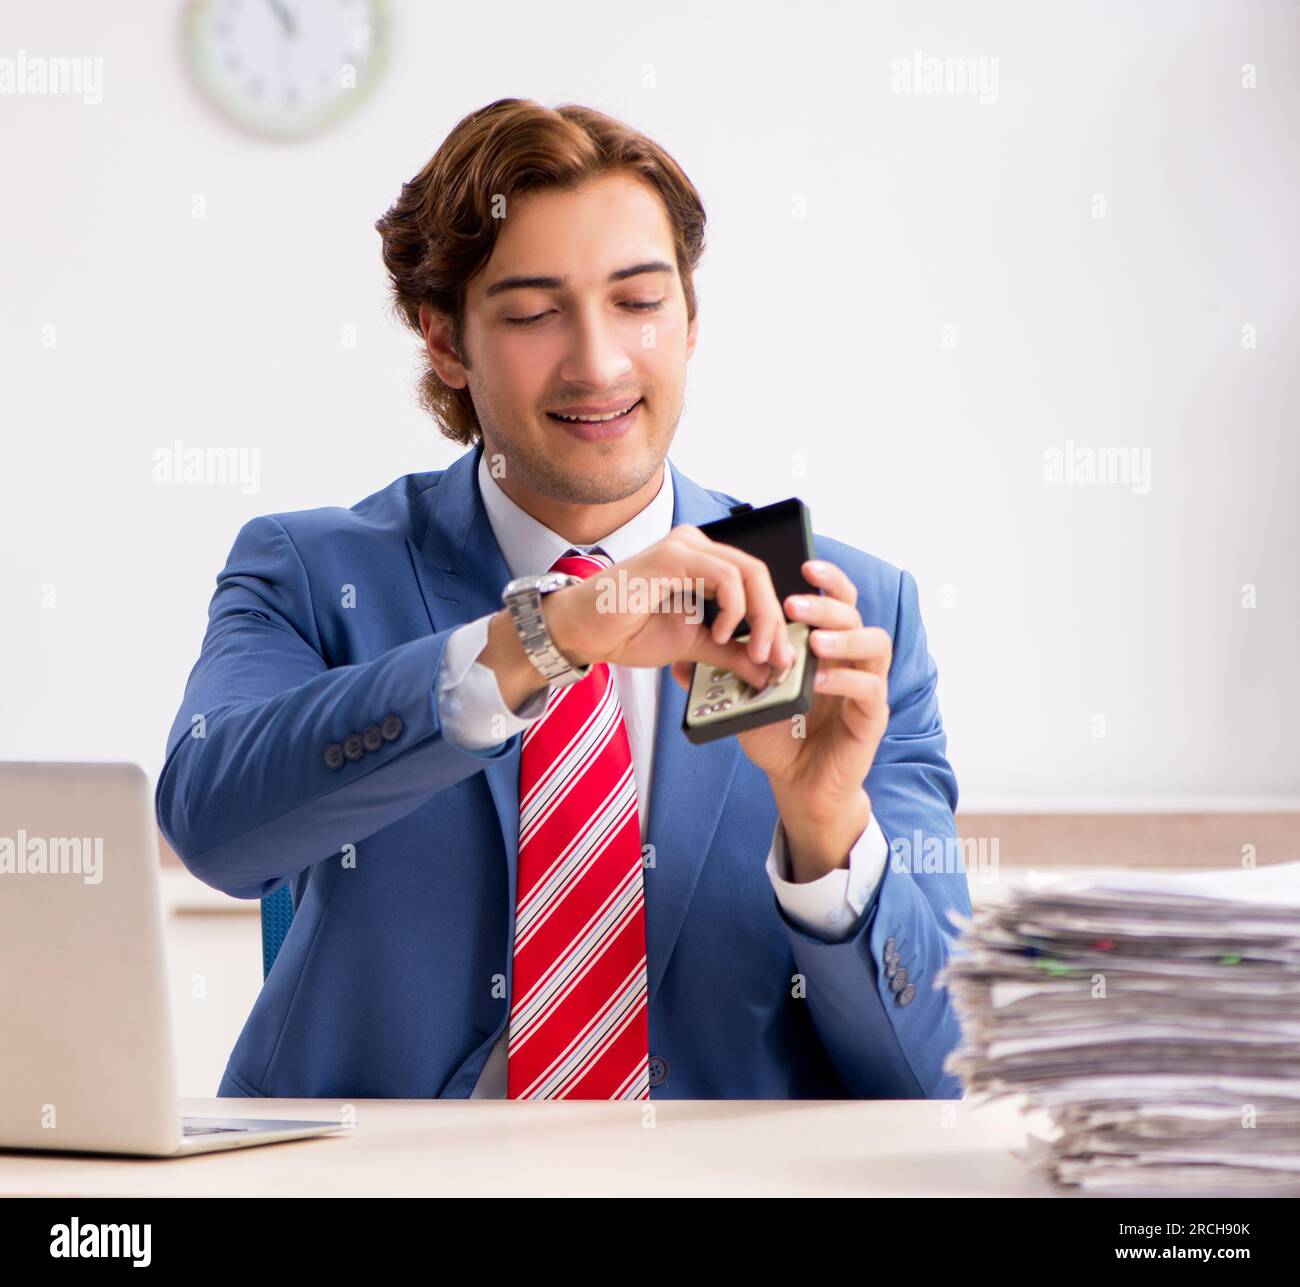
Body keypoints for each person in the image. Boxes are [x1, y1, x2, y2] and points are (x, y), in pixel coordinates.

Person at [156, 98, 968, 1100]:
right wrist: (542, 638)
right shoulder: (313, 571)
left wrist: (826, 826)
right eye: (535, 312)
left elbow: (939, 1078)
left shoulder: (848, 611)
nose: (598, 362)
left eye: (638, 301)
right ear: (445, 342)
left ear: (690, 320)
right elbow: (214, 831)